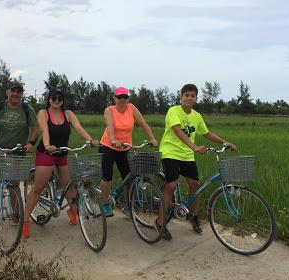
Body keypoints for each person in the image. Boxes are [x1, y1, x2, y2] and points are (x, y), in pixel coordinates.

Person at [157, 83, 236, 241]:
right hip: (170, 152)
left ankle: (193, 216)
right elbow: (177, 131)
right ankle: (160, 222)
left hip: (186, 155)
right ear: (181, 97)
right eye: (186, 95)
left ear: (195, 99)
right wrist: (194, 146)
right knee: (171, 185)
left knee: (195, 186)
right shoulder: (173, 111)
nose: (189, 98)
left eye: (192, 95)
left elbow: (206, 133)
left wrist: (224, 142)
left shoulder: (196, 116)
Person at [23, 87, 98, 238]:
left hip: (63, 152)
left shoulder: (68, 114)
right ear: (49, 98)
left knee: (69, 186)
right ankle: (25, 221)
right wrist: (47, 145)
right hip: (47, 153)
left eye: (60, 97)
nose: (57, 100)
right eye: (54, 97)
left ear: (63, 100)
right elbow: (44, 131)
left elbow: (78, 128)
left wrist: (89, 140)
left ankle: (73, 212)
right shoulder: (43, 113)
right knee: (38, 187)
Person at [99, 86, 159, 217]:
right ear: (114, 98)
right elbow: (109, 126)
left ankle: (128, 206)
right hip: (108, 146)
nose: (122, 99)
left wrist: (152, 138)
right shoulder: (110, 110)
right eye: (119, 97)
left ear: (128, 98)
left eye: (124, 97)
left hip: (125, 147)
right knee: (107, 175)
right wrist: (113, 139)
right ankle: (105, 203)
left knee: (129, 177)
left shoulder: (131, 108)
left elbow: (143, 123)